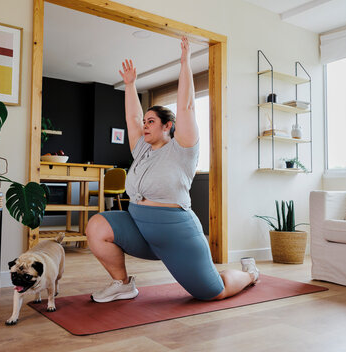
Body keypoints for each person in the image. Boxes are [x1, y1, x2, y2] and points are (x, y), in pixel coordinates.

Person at [85, 36, 259, 303]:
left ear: (167, 126)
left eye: (151, 121)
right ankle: (122, 285)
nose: (144, 125)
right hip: (140, 227)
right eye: (145, 121)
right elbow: (132, 118)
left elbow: (187, 106)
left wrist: (185, 62)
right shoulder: (142, 149)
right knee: (98, 226)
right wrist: (130, 85)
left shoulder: (183, 149)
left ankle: (250, 274)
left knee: (214, 291)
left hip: (176, 234)